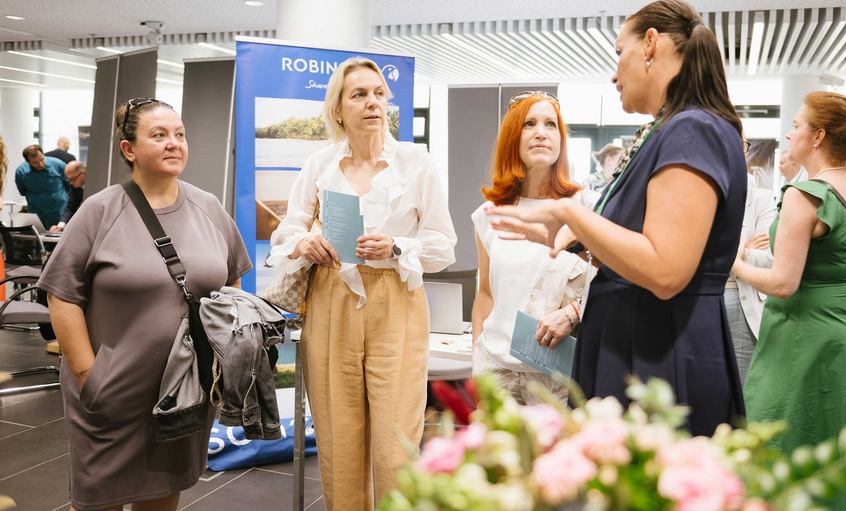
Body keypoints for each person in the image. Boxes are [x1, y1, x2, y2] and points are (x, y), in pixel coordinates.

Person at [487, 0, 747, 436]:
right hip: (639, 344)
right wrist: (580, 238)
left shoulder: (692, 129)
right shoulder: (671, 129)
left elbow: (665, 270)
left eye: (617, 52)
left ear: (650, 45)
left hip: (659, 353)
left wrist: (570, 212)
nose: (613, 72)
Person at [38, 98, 253, 511]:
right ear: (129, 150)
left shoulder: (207, 207)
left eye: (179, 134)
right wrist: (89, 375)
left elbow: (231, 282)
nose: (174, 143)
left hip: (184, 393)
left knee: (162, 492)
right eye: (159, 135)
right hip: (112, 392)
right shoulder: (99, 211)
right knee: (100, 497)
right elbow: (61, 295)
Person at [269, 57, 457, 510]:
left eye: (378, 94)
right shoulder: (319, 164)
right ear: (338, 109)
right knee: (338, 440)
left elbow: (443, 245)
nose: (373, 102)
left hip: (397, 301)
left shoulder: (416, 162)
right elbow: (285, 233)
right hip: (331, 299)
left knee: (396, 446)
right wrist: (305, 243)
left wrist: (395, 246)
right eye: (359, 95)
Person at [732, 92, 846, 511]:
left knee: (785, 434)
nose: (790, 132)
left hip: (805, 338)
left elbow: (781, 283)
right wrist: (844, 276)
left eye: (795, 125)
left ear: (818, 136)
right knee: (844, 438)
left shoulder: (805, 194)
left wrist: (736, 263)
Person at [471, 91, 595, 405]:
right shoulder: (489, 214)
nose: (541, 132)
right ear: (514, 136)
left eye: (551, 124)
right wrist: (477, 360)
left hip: (557, 372)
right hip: (496, 371)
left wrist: (572, 314)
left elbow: (610, 278)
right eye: (530, 123)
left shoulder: (583, 206)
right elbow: (485, 294)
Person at [724, 136, 775, 383]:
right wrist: (743, 249)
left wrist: (738, 253)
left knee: (743, 388)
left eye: (742, 144)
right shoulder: (697, 192)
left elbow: (768, 259)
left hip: (743, 301)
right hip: (701, 299)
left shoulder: (762, 198)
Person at [14, 145, 68, 229]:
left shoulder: (59, 165)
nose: (40, 164)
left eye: (42, 159)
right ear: (28, 162)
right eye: (35, 162)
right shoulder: (21, 172)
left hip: (58, 212)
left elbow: (70, 186)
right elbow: (23, 191)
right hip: (36, 214)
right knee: (37, 240)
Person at [50, 161, 86, 232]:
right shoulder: (75, 187)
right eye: (68, 179)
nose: (71, 183)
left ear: (83, 174)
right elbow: (70, 207)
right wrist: (60, 226)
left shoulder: (97, 185)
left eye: (73, 179)